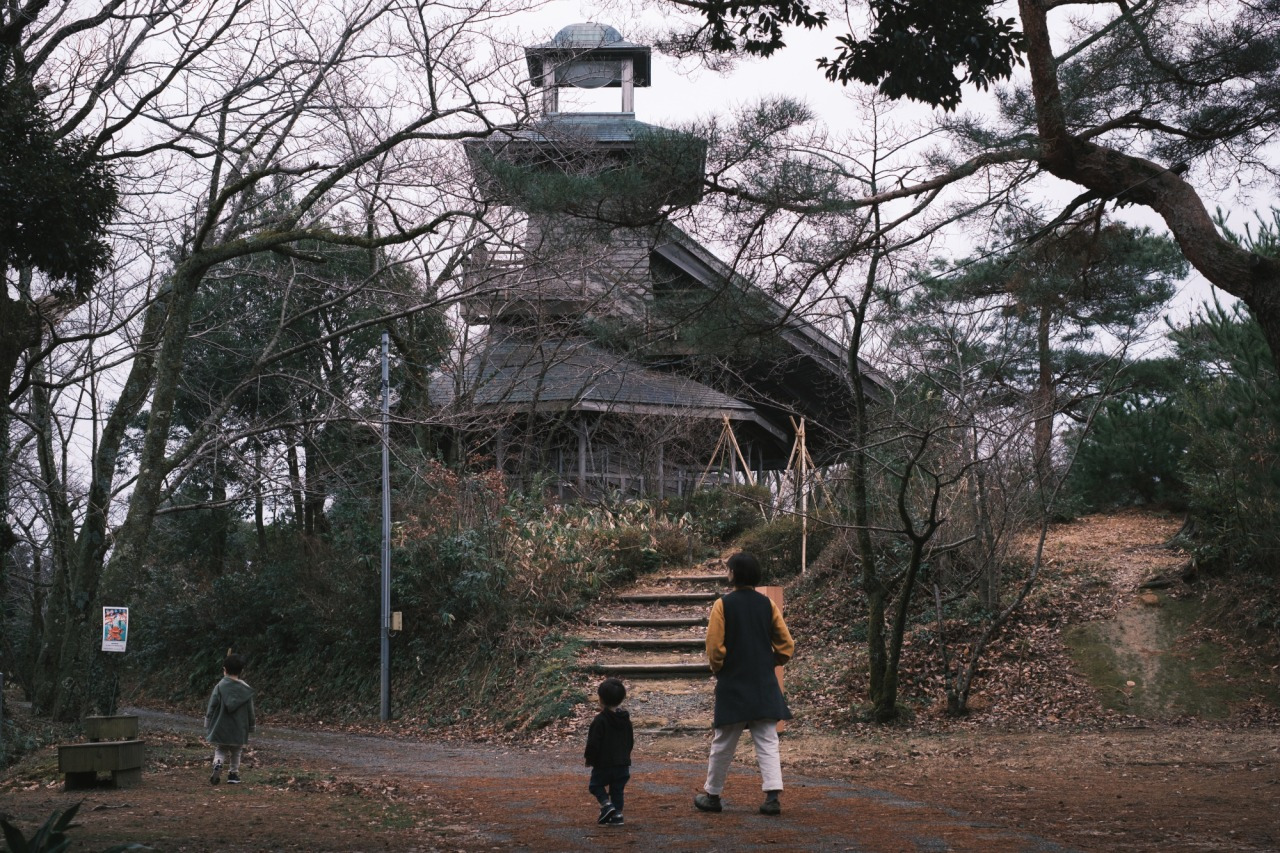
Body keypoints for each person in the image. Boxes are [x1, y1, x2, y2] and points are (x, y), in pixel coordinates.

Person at [694, 551, 794, 816]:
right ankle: (772, 797)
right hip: (763, 682)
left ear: (734, 574)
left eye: (728, 569)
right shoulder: (767, 605)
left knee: (723, 742)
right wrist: (770, 662)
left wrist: (720, 668)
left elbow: (714, 647)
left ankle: (713, 796)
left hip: (733, 682)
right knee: (768, 740)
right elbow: (786, 645)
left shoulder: (722, 604)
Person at [584, 676, 633, 826]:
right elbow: (630, 741)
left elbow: (593, 743)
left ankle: (606, 805)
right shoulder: (625, 720)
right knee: (617, 790)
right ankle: (617, 815)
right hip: (622, 764)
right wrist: (625, 756)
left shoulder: (600, 720)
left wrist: (590, 759)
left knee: (595, 785)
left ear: (601, 699)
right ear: (622, 698)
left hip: (604, 763)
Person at [206, 652, 256, 785]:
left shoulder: (220, 686)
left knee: (221, 749)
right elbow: (250, 710)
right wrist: (251, 726)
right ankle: (233, 775)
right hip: (239, 727)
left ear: (225, 670)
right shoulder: (246, 689)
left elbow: (212, 705)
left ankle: (218, 763)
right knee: (236, 751)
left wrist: (208, 721)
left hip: (221, 726)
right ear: (241, 670)